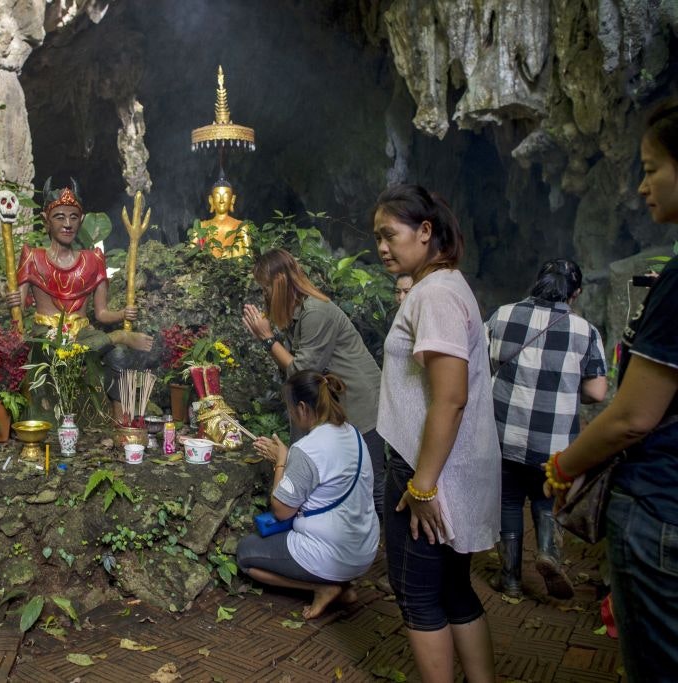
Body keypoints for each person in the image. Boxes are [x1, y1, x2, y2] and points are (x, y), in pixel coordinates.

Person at [547, 99, 678, 682]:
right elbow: (601, 392)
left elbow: (631, 415)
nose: (642, 186)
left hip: (660, 506)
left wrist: (564, 467)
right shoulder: (581, 331)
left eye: (651, 168)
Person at [374, 184, 499, 683]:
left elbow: (449, 398)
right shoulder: (443, 285)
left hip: (426, 471)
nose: (382, 247)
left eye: (390, 235)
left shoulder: (436, 294)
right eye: (377, 237)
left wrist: (422, 485)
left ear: (425, 232)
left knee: (418, 595)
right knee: (453, 590)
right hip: (442, 464)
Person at [486, 259, 607, 599]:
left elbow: (482, 365)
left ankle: (509, 577)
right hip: (552, 442)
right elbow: (597, 392)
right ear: (576, 293)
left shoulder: (502, 315)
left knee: (508, 501)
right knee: (544, 497)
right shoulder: (585, 331)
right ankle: (548, 554)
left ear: (537, 282)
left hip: (503, 433)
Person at [241, 248, 385, 519]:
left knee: (373, 482)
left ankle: (385, 551)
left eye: (265, 288)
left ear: (280, 283)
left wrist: (267, 338)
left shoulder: (316, 313)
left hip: (361, 402)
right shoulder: (299, 314)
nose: (264, 296)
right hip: (339, 404)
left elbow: (301, 370)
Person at [236, 370, 379, 619]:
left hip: (330, 553)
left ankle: (323, 586)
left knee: (246, 554)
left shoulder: (306, 449)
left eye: (291, 408)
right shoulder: (352, 433)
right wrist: (290, 458)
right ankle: (340, 583)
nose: (291, 414)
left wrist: (281, 462)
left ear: (302, 408)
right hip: (364, 548)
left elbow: (281, 511)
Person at [6, 180, 154, 420]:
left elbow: (101, 314)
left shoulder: (93, 260)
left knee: (118, 355)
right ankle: (119, 336)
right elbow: (17, 312)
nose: (67, 224)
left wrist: (122, 315)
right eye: (60, 217)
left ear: (81, 221)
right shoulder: (32, 258)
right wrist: (13, 298)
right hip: (47, 333)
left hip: (83, 332)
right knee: (59, 351)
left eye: (74, 217)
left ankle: (121, 419)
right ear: (46, 220)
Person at [191, 175, 250, 258]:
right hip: (206, 268)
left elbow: (248, 257)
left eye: (225, 196)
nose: (221, 200)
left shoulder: (240, 226)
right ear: (211, 200)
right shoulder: (201, 226)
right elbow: (191, 255)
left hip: (232, 268)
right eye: (217, 196)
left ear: (232, 199)